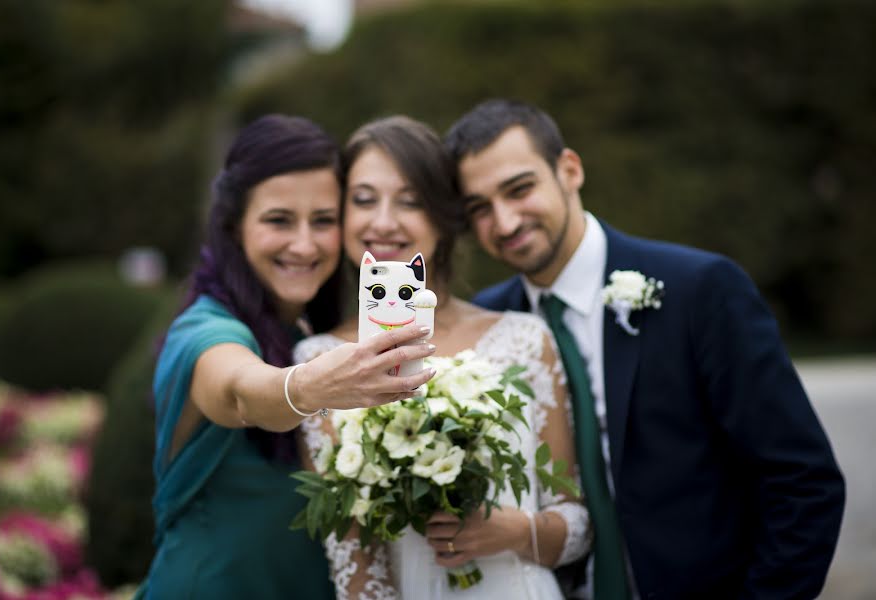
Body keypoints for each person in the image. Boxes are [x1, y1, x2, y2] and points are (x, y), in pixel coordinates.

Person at [443, 98, 846, 599]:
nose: (504, 223)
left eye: (519, 189)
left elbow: (803, 483)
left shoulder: (700, 290)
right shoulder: (487, 324)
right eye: (479, 209)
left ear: (569, 170)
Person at [136, 114, 437, 599]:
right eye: (279, 220)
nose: (304, 244)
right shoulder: (205, 330)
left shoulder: (315, 330)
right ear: (233, 227)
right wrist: (304, 388)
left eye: (323, 221)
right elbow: (240, 392)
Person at [294, 115, 593, 600]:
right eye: (364, 199)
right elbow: (354, 564)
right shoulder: (317, 361)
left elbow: (578, 524)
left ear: (443, 215)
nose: (383, 221)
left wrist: (512, 530)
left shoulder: (524, 339)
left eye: (410, 200)